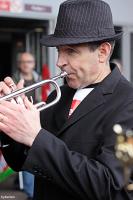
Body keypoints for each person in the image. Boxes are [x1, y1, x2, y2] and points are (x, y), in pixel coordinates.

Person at [0, 0, 133, 200]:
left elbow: (112, 188)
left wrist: (35, 137)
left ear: (103, 52)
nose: (59, 62)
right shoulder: (57, 96)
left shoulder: (128, 102)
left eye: (71, 51)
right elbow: (22, 161)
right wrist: (10, 121)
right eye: (59, 51)